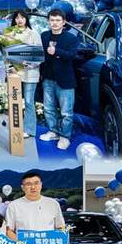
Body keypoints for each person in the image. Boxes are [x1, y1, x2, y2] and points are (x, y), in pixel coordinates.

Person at [39, 9, 79, 150]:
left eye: (57, 20)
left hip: (65, 80)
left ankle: (65, 136)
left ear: (63, 22)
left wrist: (57, 52)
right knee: (48, 108)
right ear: (48, 21)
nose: (54, 23)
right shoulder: (44, 36)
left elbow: (72, 55)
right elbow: (40, 55)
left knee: (66, 112)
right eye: (52, 20)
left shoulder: (71, 38)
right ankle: (53, 131)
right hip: (48, 78)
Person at [7, 11, 41, 138]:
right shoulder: (10, 34)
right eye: (17, 18)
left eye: (22, 18)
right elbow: (5, 54)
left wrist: (28, 64)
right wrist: (10, 67)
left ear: (26, 19)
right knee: (13, 100)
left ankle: (29, 129)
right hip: (14, 73)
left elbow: (39, 55)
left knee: (28, 101)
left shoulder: (34, 34)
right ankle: (15, 127)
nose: (19, 20)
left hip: (30, 73)